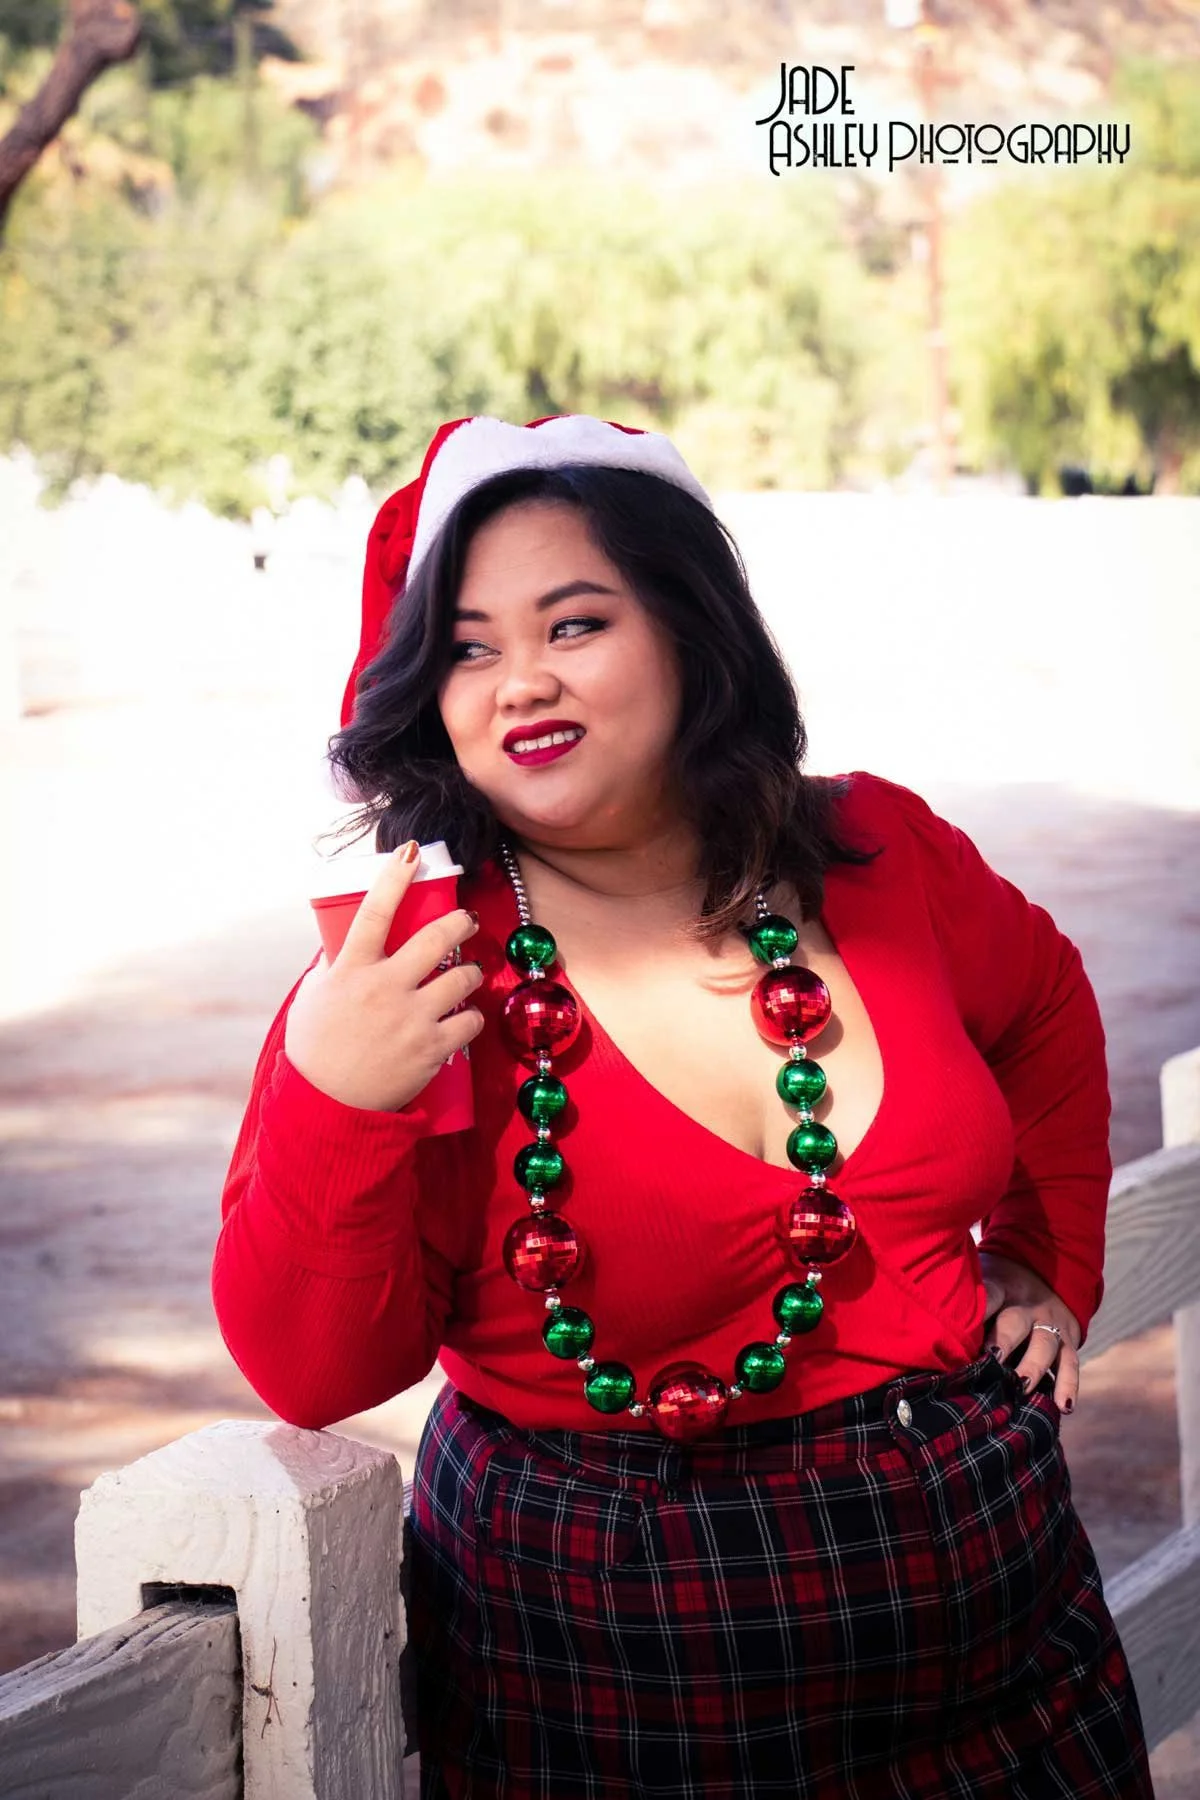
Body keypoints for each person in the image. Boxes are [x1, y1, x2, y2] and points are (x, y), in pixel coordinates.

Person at [211, 413, 1155, 1799]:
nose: (518, 681)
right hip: (629, 1701)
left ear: (691, 630)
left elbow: (1048, 1008)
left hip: (1014, 1671)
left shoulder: (880, 848)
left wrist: (1044, 1253)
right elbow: (317, 1372)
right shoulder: (414, 962)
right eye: (468, 646)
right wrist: (333, 1093)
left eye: (573, 623)